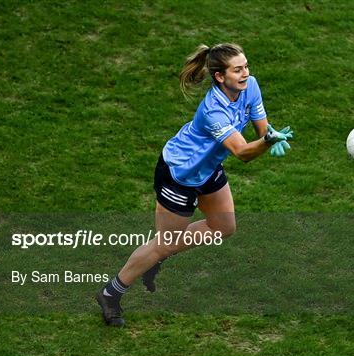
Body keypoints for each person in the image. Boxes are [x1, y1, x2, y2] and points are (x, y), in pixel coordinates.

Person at [96, 43, 293, 326]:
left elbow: (262, 129)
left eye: (246, 66)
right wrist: (265, 143)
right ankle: (110, 293)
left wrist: (269, 135)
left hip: (208, 168)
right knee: (164, 243)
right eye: (237, 70)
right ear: (219, 77)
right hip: (179, 175)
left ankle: (157, 257)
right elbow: (242, 152)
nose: (245, 73)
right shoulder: (214, 109)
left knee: (224, 227)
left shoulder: (250, 86)